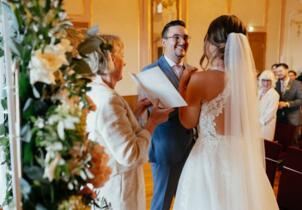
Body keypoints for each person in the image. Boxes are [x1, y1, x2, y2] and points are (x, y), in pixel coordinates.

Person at [173, 15, 279, 210]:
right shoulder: (247, 82)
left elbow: (188, 122)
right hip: (241, 159)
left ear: (212, 43)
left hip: (208, 159)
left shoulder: (200, 79)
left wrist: (182, 84)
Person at [85, 34, 173, 210]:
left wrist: (133, 113)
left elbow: (110, 133)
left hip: (107, 185)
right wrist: (153, 122)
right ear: (110, 59)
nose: (124, 63)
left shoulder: (94, 91)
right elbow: (129, 154)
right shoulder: (109, 100)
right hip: (120, 191)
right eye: (121, 56)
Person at [141, 20, 195, 210]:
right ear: (164, 42)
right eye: (176, 37)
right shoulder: (150, 72)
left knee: (185, 199)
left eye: (186, 37)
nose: (182, 41)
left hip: (191, 148)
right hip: (165, 147)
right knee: (162, 202)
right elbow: (150, 111)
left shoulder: (193, 71)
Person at [258, 70, 280, 141]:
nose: (266, 83)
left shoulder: (274, 94)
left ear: (272, 81)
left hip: (266, 124)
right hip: (256, 122)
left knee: (264, 145)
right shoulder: (259, 91)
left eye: (268, 81)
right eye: (263, 80)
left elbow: (271, 112)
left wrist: (259, 122)